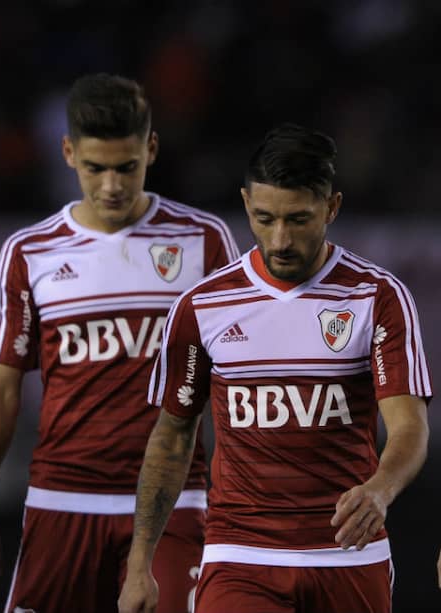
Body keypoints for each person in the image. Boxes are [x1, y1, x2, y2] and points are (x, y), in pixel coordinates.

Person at [118, 122, 432, 613]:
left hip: (348, 556)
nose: (280, 238)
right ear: (246, 205)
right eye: (265, 218)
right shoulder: (203, 305)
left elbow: (409, 426)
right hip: (240, 556)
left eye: (299, 219)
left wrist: (380, 490)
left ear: (332, 208)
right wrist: (141, 562)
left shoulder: (377, 297)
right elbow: (173, 435)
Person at [0, 73, 239, 613]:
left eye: (126, 167)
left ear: (151, 149)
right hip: (62, 499)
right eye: (95, 168)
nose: (112, 185)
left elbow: (238, 382)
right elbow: (0, 390)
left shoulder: (203, 241)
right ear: (68, 152)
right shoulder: (31, 251)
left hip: (174, 502)